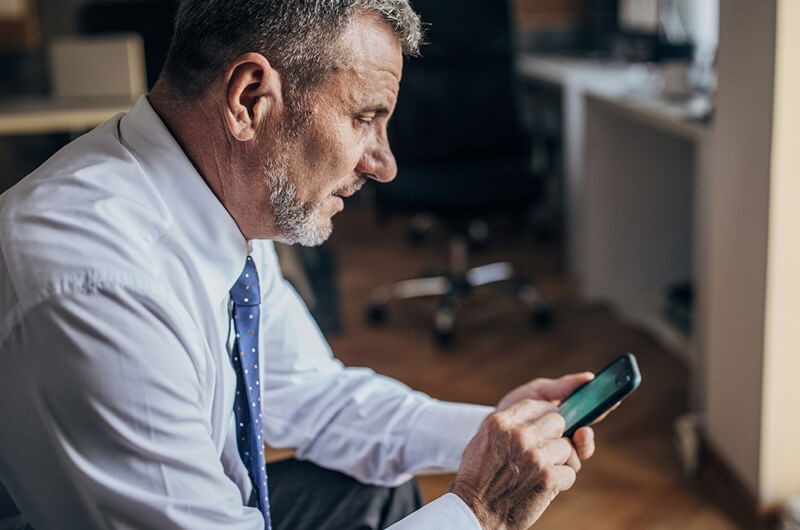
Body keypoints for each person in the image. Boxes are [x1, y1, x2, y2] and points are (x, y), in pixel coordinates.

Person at [0, 1, 598, 529]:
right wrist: (480, 512)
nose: (383, 164)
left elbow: (310, 394)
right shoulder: (99, 286)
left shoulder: (217, 196)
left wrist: (493, 435)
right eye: (365, 117)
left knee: (377, 496)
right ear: (250, 99)